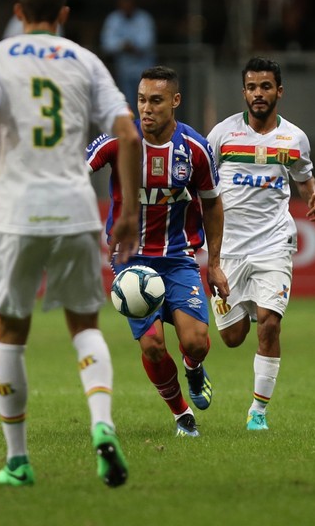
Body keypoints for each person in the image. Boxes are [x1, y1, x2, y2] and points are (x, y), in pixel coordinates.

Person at [0, 0, 141, 489]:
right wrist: (128, 210)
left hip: (15, 212)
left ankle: (18, 460)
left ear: (18, 12)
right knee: (85, 325)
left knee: (10, 335)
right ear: (63, 15)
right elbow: (128, 135)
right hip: (75, 209)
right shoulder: (86, 60)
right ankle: (102, 425)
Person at [87, 65, 230, 438]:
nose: (146, 108)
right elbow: (75, 170)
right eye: (141, 100)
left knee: (196, 343)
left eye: (156, 100)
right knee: (151, 345)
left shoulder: (195, 148)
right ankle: (182, 414)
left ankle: (193, 368)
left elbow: (213, 204)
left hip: (178, 258)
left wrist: (214, 264)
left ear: (175, 101)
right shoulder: (119, 139)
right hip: (131, 261)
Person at [206, 57, 315, 432]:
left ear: (279, 91)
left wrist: (313, 198)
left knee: (270, 325)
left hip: (274, 243)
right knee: (232, 337)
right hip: (228, 249)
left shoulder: (293, 138)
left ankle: (258, 411)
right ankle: (248, 307)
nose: (258, 93)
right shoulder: (222, 135)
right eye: (252, 87)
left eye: (265, 86)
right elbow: (202, 182)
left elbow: (304, 177)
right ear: (244, 92)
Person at [100, 0, 156, 112]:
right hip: (123, 71)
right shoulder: (114, 19)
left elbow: (146, 43)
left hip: (145, 71)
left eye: (128, 4)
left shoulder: (143, 18)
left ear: (134, 5)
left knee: (147, 103)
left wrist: (128, 46)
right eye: (123, 4)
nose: (126, 7)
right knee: (127, 105)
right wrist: (124, 46)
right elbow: (107, 44)